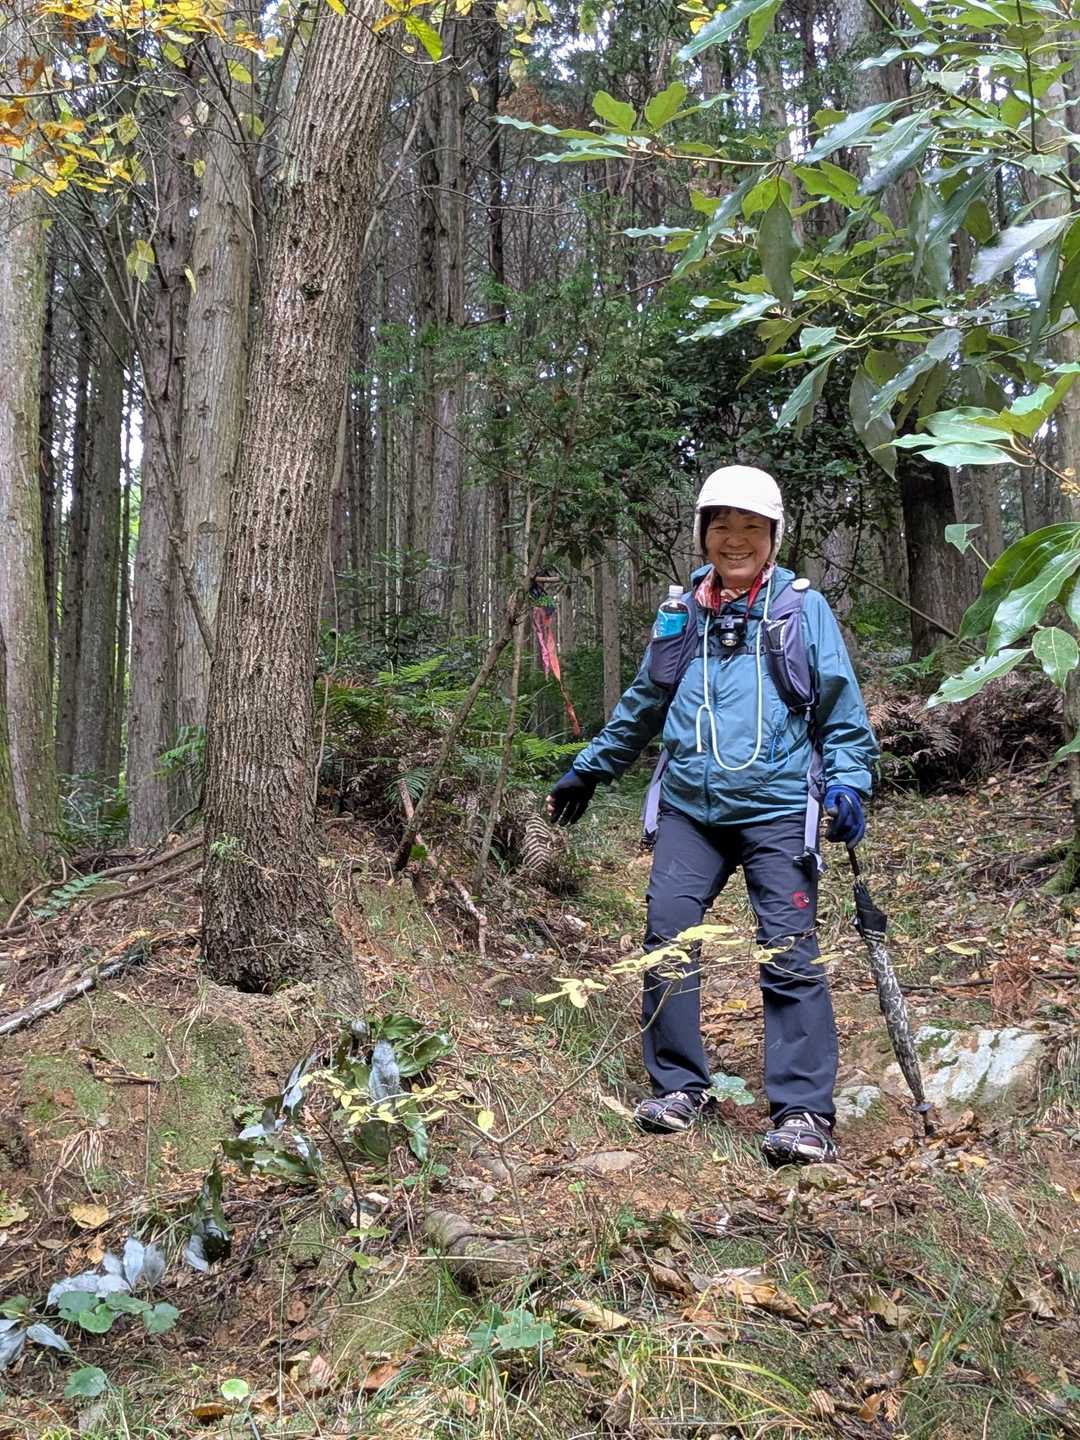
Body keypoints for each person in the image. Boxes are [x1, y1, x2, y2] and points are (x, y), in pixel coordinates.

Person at [546, 466, 878, 1166]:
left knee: (788, 950)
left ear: (773, 536)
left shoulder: (800, 608)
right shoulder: (682, 612)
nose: (735, 540)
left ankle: (803, 1113)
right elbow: (646, 699)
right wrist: (593, 766)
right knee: (667, 937)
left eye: (751, 528)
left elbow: (841, 707)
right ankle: (679, 1088)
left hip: (778, 808)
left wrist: (849, 783)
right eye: (722, 526)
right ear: (703, 533)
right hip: (690, 809)